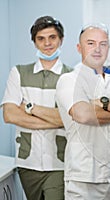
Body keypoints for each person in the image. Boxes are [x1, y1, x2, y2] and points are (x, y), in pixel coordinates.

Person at [55, 23, 110, 200]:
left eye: (103, 44)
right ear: (79, 48)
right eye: (91, 43)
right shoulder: (69, 80)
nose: (97, 49)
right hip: (83, 175)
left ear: (108, 48)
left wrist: (100, 104)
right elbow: (83, 115)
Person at [1, 16, 71, 200]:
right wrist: (57, 119)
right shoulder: (18, 73)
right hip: (27, 163)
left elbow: (72, 118)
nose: (47, 43)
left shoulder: (71, 76)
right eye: (41, 38)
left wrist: (30, 108)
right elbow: (9, 115)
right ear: (34, 42)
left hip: (60, 164)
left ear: (61, 40)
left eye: (52, 37)